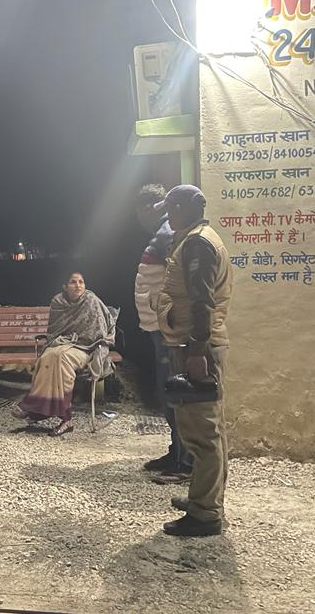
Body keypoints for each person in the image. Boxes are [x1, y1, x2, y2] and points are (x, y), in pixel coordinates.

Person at [153, 185, 233, 537]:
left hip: (195, 348)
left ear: (184, 208)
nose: (168, 214)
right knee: (206, 429)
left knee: (202, 434)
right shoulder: (195, 239)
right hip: (193, 344)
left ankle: (206, 514)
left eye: (172, 207)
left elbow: (202, 302)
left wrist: (197, 352)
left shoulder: (198, 244)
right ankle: (204, 498)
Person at [134, 184, 193, 484]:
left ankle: (186, 462)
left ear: (148, 208)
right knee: (169, 391)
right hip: (160, 326)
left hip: (167, 328)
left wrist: (168, 312)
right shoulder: (164, 230)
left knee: (175, 392)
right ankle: (176, 452)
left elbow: (179, 275)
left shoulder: (166, 232)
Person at [12, 273, 117, 436]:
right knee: (47, 357)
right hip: (63, 343)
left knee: (61, 358)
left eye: (81, 282)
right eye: (73, 282)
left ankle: (61, 416)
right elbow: (54, 330)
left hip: (86, 348)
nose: (78, 285)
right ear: (65, 286)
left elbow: (99, 332)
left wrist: (77, 339)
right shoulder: (58, 302)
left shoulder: (91, 301)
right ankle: (41, 408)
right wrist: (66, 340)